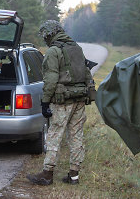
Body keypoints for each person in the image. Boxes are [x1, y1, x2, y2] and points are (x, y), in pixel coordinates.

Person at [27, 20, 94, 186]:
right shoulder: (77, 48)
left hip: (62, 101)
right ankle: (74, 175)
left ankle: (47, 174)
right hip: (79, 99)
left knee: (54, 135)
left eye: (45, 36)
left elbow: (50, 80)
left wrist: (44, 102)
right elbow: (86, 73)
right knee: (76, 136)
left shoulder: (53, 51)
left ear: (49, 34)